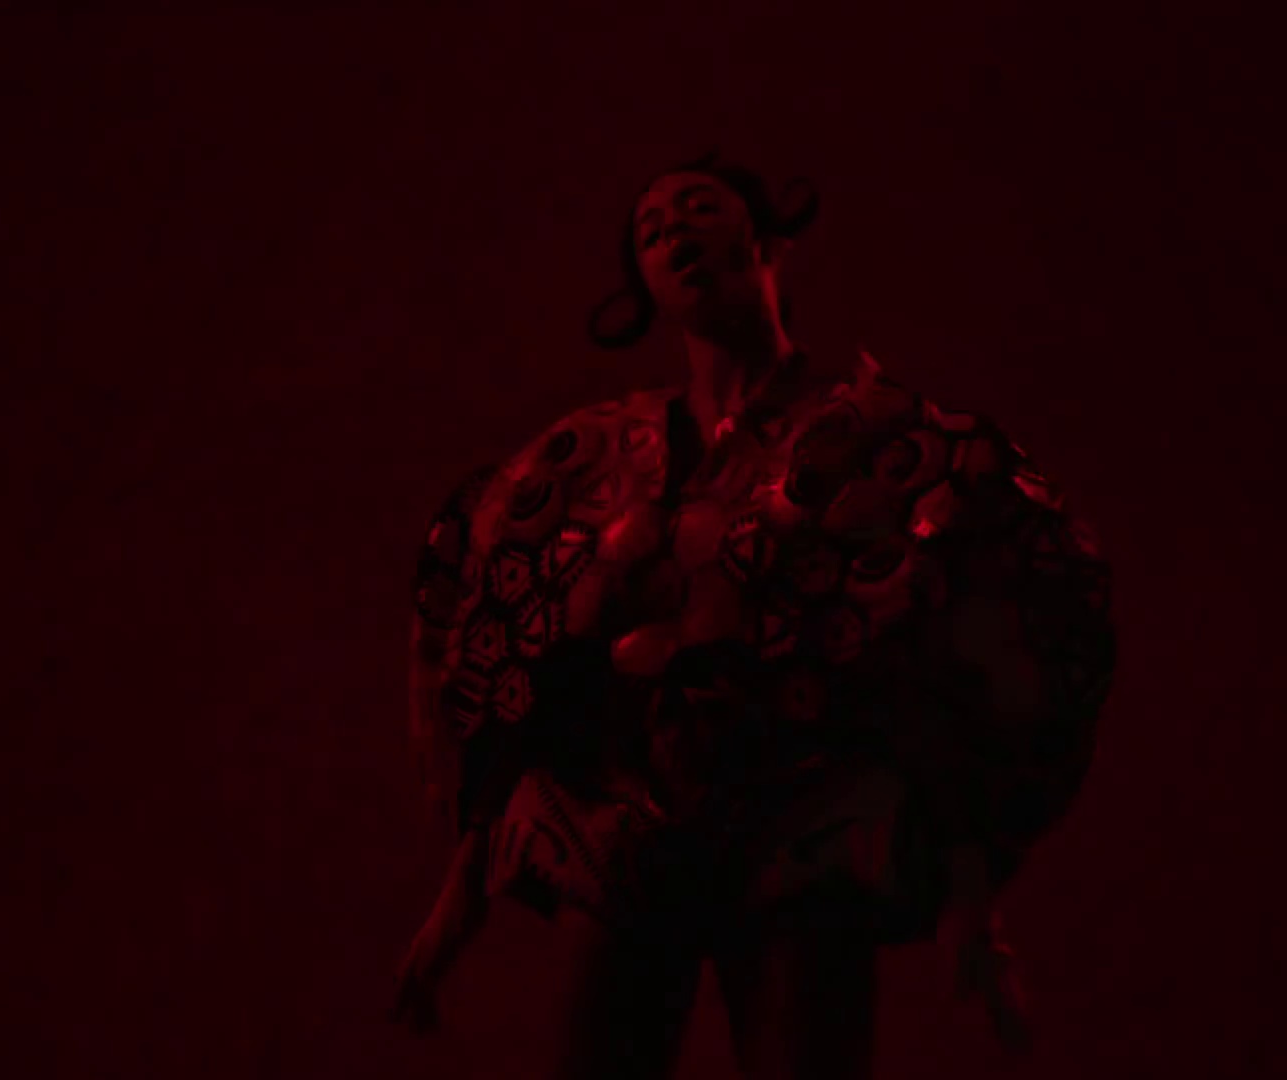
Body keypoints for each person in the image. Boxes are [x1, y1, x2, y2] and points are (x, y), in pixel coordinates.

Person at [390, 151, 1117, 1080]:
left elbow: (936, 669)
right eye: (651, 232)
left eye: (699, 208)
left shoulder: (880, 438)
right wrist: (460, 897)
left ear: (767, 240)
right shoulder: (589, 459)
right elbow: (523, 676)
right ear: (642, 286)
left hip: (807, 835)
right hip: (624, 836)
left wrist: (974, 908)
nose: (675, 236)